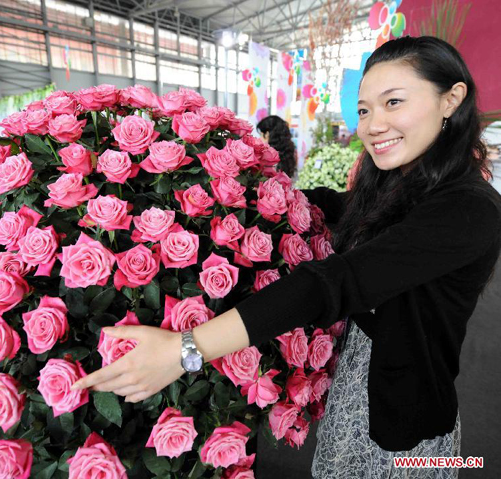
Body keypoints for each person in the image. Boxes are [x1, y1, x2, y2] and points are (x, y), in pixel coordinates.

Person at [73, 37, 501, 477]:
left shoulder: (469, 209)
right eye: (365, 110)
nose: (373, 125)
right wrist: (233, 189)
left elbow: (335, 281)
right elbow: (335, 204)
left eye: (393, 102)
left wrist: (185, 349)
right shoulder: (402, 183)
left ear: (451, 99)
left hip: (408, 426)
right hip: (357, 395)